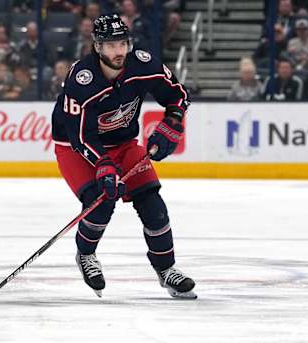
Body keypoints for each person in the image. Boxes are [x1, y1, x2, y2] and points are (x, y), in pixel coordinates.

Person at [51, 14, 196, 299]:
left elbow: (178, 95)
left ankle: (166, 271)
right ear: (97, 47)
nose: (118, 51)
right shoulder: (82, 80)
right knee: (100, 203)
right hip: (76, 148)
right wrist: (104, 165)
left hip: (124, 143)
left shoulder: (143, 64)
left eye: (122, 43)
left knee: (154, 207)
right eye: (110, 45)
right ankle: (86, 254)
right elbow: (80, 136)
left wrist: (174, 121)